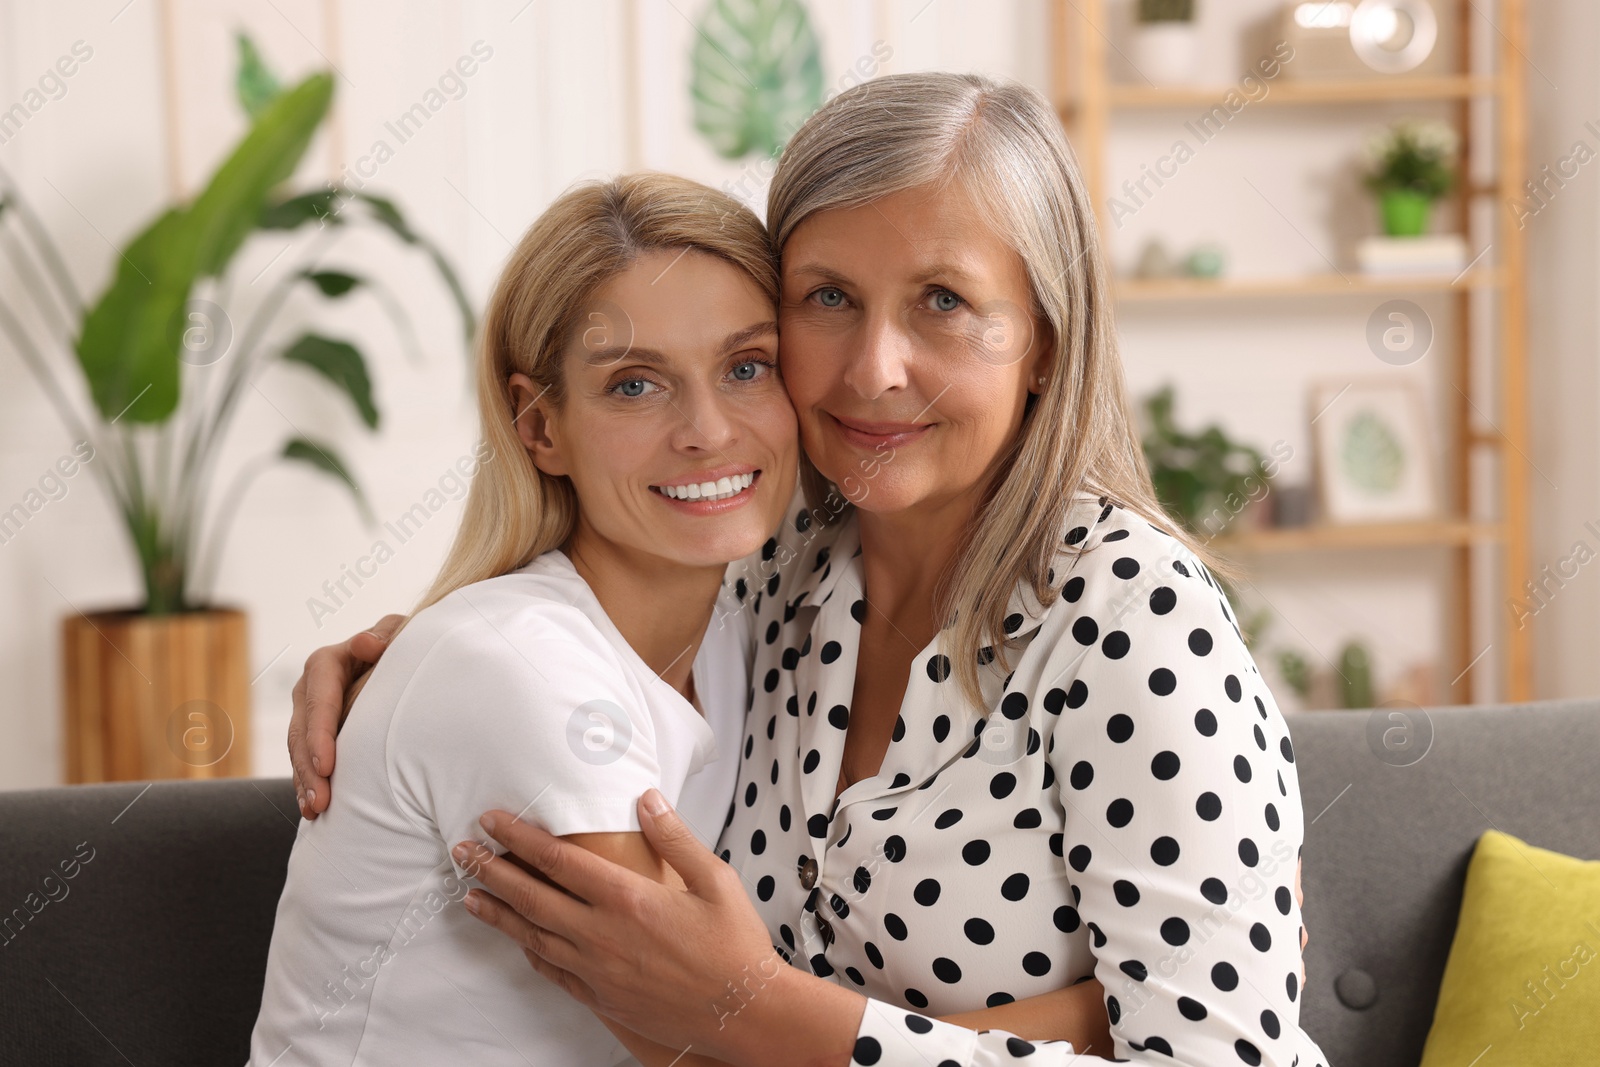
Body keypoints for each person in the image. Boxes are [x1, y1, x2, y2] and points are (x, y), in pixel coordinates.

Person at [290, 74, 1328, 1067]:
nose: (874, 366)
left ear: (1045, 342)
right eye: (828, 296)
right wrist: (414, 662)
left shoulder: (1129, 614)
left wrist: (756, 1007)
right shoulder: (770, 577)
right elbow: (567, 651)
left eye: (943, 301)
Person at [257, 170, 1114, 1067]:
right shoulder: (521, 675)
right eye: (635, 386)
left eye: (747, 367)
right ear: (540, 426)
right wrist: (1108, 1009)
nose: (707, 430)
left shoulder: (759, 633)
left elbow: (774, 1028)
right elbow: (735, 1046)